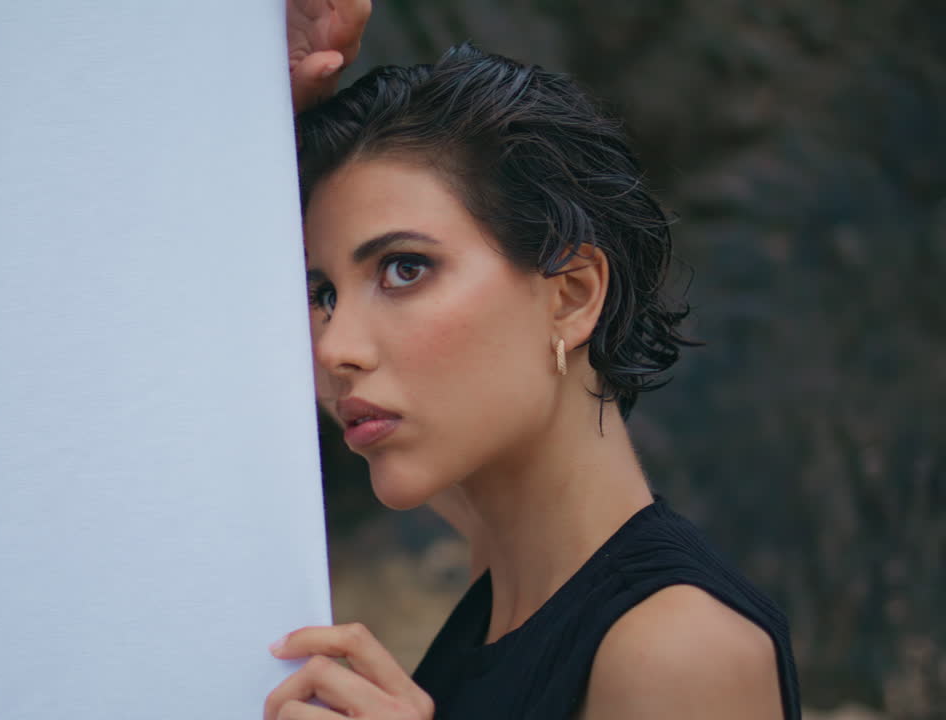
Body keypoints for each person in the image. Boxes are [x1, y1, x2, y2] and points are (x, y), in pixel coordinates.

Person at [270, 5, 802, 719]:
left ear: (572, 296)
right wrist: (263, 109)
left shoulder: (678, 652)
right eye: (322, 293)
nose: (335, 348)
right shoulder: (511, 548)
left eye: (403, 269)